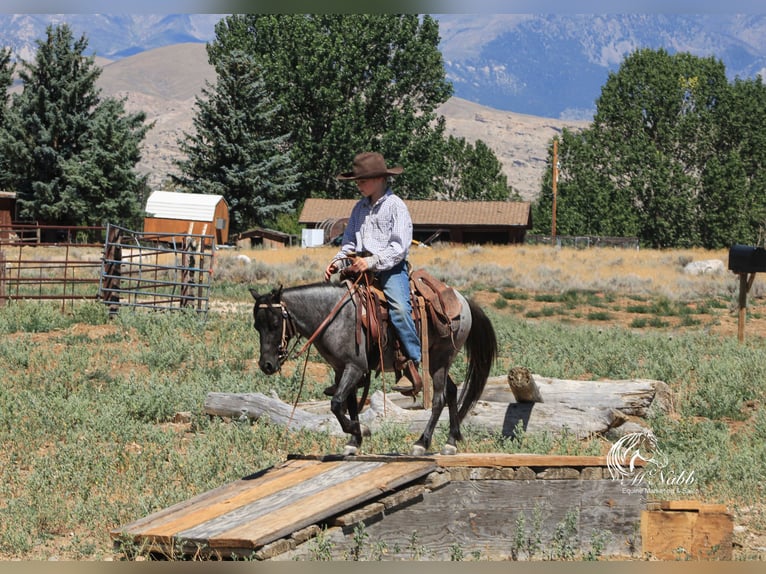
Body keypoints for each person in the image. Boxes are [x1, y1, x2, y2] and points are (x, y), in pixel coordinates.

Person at [324, 152, 422, 396]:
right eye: (356, 181)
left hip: (390, 268)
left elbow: (399, 248)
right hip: (359, 267)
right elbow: (348, 243)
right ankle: (348, 369)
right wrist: (337, 261)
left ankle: (412, 363)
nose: (358, 185)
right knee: (340, 311)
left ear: (379, 178)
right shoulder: (359, 209)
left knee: (398, 309)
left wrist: (371, 262)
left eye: (362, 180)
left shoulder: (395, 206)